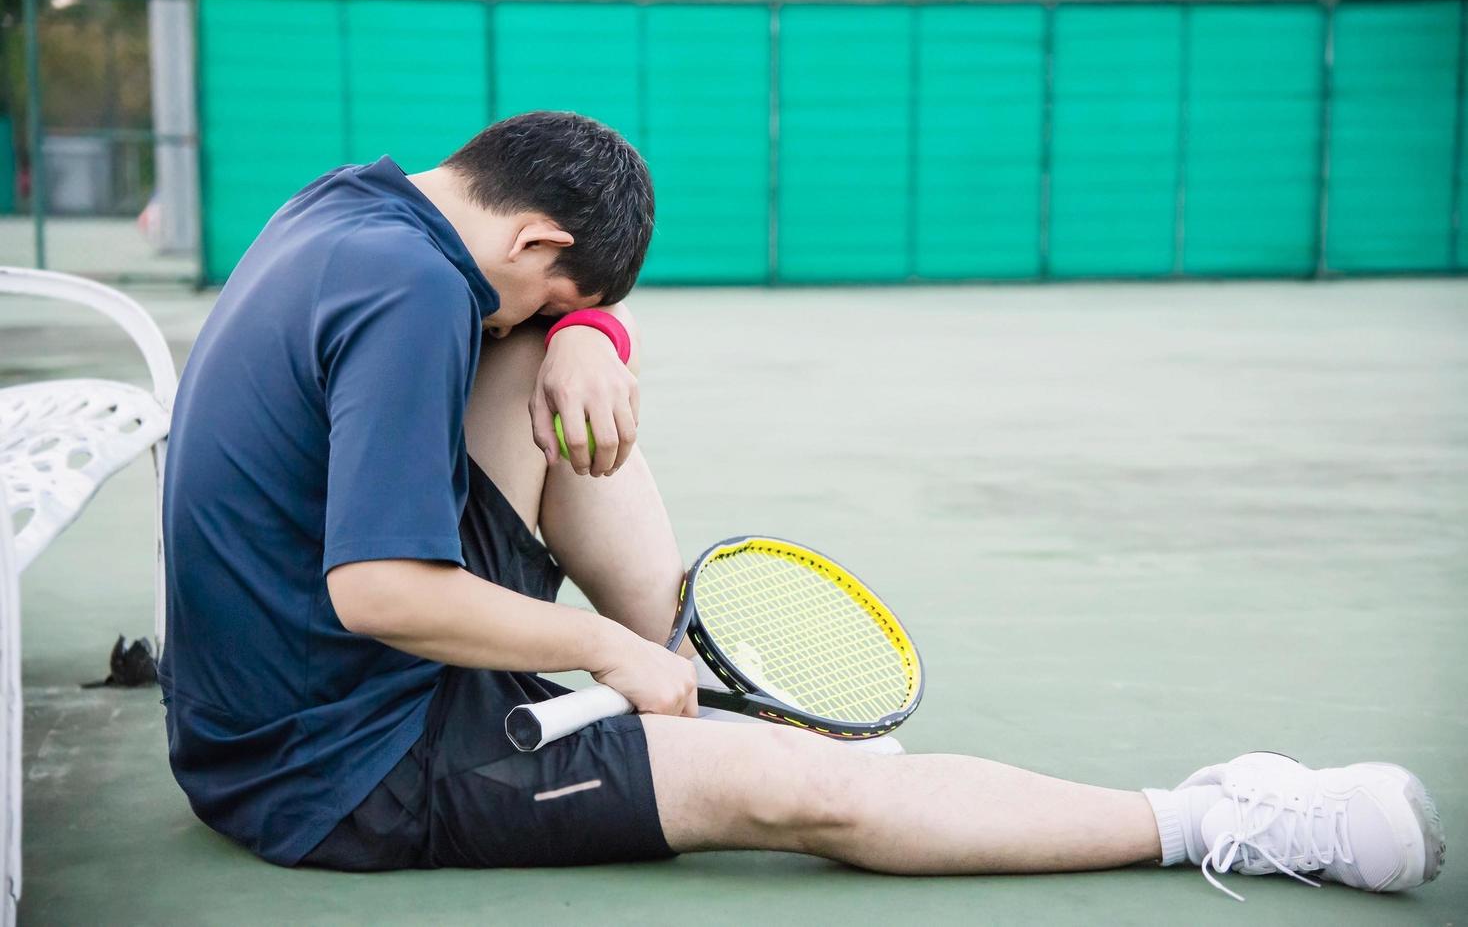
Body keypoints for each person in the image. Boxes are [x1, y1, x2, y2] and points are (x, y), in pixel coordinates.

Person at [159, 111, 1445, 901]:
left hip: (281, 690)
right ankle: (1223, 814)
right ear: (538, 239)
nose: (537, 323)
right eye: (554, 294)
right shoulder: (415, 296)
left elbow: (521, 332)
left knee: (554, 379)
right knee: (802, 790)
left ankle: (681, 668)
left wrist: (586, 332)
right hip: (335, 766)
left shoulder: (361, 209)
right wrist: (600, 648)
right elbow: (375, 590)